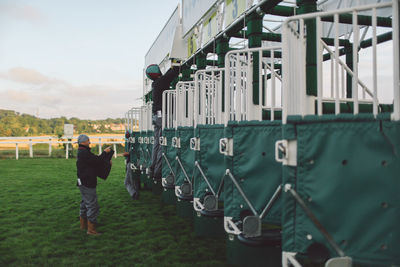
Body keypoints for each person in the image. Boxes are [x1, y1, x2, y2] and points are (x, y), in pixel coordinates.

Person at [146, 64, 179, 182]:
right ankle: (158, 172)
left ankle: (152, 167)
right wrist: (175, 66)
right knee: (162, 142)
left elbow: (167, 76)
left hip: (157, 116)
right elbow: (171, 74)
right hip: (162, 116)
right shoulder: (160, 82)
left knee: (157, 143)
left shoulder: (157, 83)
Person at [76, 134, 113, 235]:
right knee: (92, 205)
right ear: (83, 142)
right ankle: (91, 230)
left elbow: (94, 160)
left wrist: (104, 157)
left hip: (82, 182)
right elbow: (97, 160)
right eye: (88, 141)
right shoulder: (84, 153)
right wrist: (105, 153)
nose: (89, 142)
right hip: (87, 182)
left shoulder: (82, 151)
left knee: (84, 203)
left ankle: (83, 225)